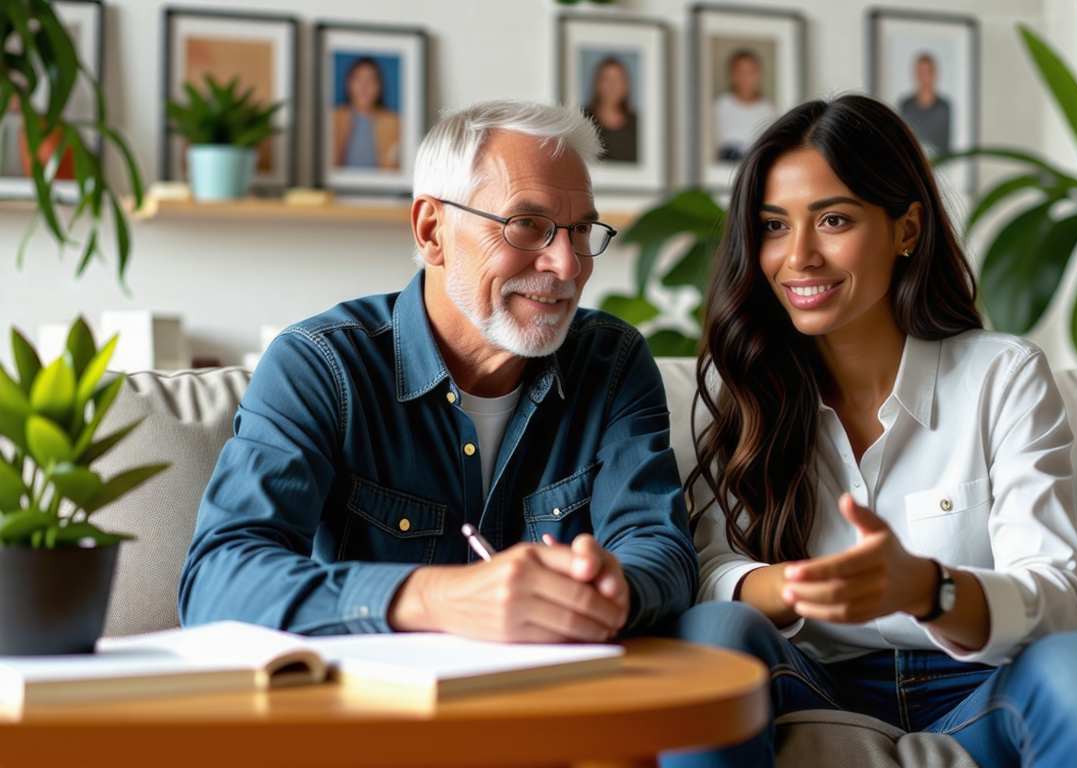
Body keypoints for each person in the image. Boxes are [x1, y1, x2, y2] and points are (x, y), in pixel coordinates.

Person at [667, 94, 1077, 768]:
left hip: (984, 686)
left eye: (834, 220)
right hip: (815, 680)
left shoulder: (1003, 376)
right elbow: (707, 570)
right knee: (714, 629)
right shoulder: (736, 387)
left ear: (907, 229)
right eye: (774, 226)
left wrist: (928, 589)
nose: (799, 256)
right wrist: (785, 588)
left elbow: (1059, 593)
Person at [180, 101, 698, 646]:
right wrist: (440, 599)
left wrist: (620, 588)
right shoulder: (320, 365)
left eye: (581, 230)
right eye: (527, 225)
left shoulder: (612, 361)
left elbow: (659, 549)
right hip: (380, 711)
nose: (567, 265)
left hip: (559, 704)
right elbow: (217, 582)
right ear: (432, 231)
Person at [332, 56, 401, 170]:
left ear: (379, 86)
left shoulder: (395, 123)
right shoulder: (333, 118)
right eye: (359, 79)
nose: (364, 87)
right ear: (349, 83)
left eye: (370, 80)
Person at [713, 49, 775, 162]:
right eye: (741, 71)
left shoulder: (767, 106)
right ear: (732, 74)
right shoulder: (720, 105)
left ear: (759, 73)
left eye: (751, 71)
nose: (746, 76)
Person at [582, 56, 638, 163]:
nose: (612, 86)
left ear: (626, 85)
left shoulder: (639, 124)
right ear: (597, 84)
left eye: (618, 79)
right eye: (607, 79)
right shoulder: (582, 120)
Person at [896, 53, 952, 156]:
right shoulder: (906, 106)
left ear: (934, 74)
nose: (925, 77)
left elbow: (946, 147)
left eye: (928, 72)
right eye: (921, 72)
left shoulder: (943, 108)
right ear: (916, 75)